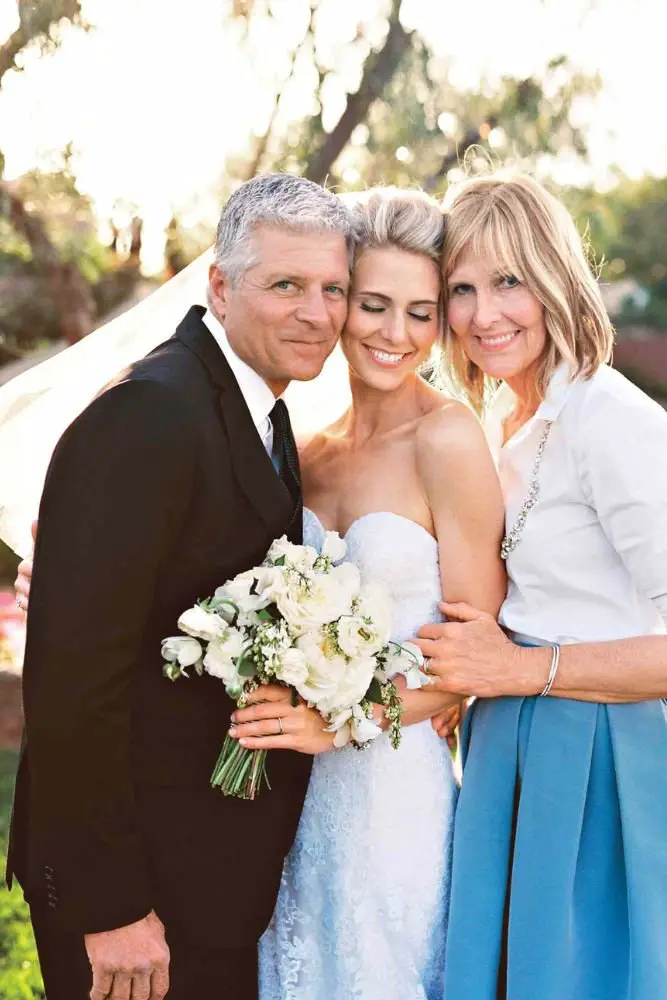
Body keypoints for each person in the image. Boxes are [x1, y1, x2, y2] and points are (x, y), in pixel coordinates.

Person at [7, 172, 355, 1000]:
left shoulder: (258, 407)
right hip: (138, 902)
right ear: (220, 287)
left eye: (333, 288)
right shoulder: (150, 415)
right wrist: (111, 906)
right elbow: (71, 682)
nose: (318, 312)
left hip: (204, 881)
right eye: (286, 286)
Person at [228, 187, 506, 999]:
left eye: (421, 312)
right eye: (374, 304)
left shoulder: (448, 440)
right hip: (293, 795)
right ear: (340, 301)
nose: (394, 333)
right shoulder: (306, 452)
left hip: (394, 792)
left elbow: (470, 664)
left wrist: (338, 718)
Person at [414, 172, 667, 1000]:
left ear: (555, 277)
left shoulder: (610, 419)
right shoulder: (498, 424)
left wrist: (522, 671)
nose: (484, 314)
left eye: (508, 281)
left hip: (601, 753)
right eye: (461, 289)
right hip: (504, 750)